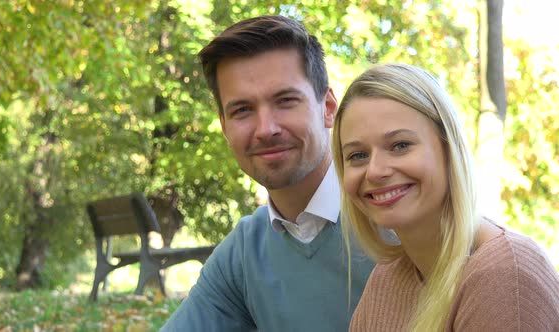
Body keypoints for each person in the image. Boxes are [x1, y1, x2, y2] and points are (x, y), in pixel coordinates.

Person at [160, 15, 375, 332]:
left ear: (328, 108)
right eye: (242, 110)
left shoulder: (392, 218)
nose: (266, 129)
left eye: (286, 101)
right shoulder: (245, 254)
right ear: (224, 126)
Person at [331, 63, 559, 331]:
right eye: (358, 155)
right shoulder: (389, 276)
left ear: (449, 149)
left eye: (400, 145)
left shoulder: (505, 276)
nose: (376, 171)